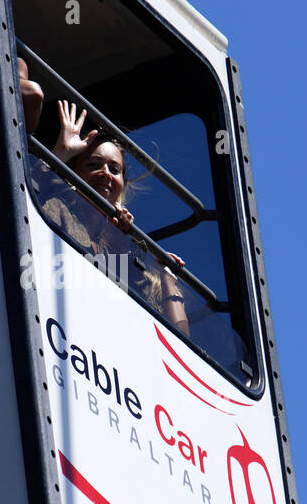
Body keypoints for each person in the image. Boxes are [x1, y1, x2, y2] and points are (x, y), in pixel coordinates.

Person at [19, 54, 188, 333]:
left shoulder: (130, 245)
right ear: (78, 173)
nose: (105, 174)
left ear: (123, 182)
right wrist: (61, 155)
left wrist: (164, 271)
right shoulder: (57, 208)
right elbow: (21, 201)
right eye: (94, 165)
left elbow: (178, 338)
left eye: (114, 168)